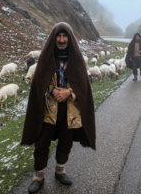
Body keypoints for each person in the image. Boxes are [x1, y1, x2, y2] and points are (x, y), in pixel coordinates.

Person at [20, 22, 96, 193]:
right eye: (58, 36)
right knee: (42, 142)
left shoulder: (76, 60)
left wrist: (69, 92)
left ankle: (60, 170)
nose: (61, 40)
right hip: (48, 109)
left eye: (64, 36)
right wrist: (52, 90)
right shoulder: (47, 59)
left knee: (66, 142)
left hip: (70, 111)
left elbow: (84, 86)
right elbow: (39, 82)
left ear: (69, 38)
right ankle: (38, 176)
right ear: (54, 38)